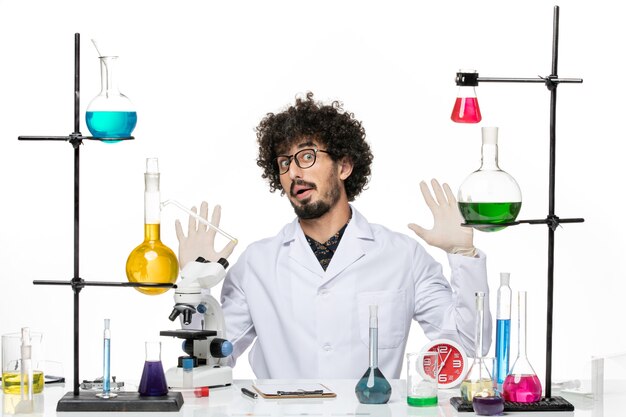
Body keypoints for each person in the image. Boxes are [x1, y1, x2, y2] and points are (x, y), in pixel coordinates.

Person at [176, 92, 491, 379]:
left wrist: (462, 255)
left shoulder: (403, 256)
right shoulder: (256, 264)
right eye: (284, 162)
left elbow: (469, 345)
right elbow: (212, 360)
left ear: (344, 166)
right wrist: (192, 289)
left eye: (307, 156)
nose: (294, 173)